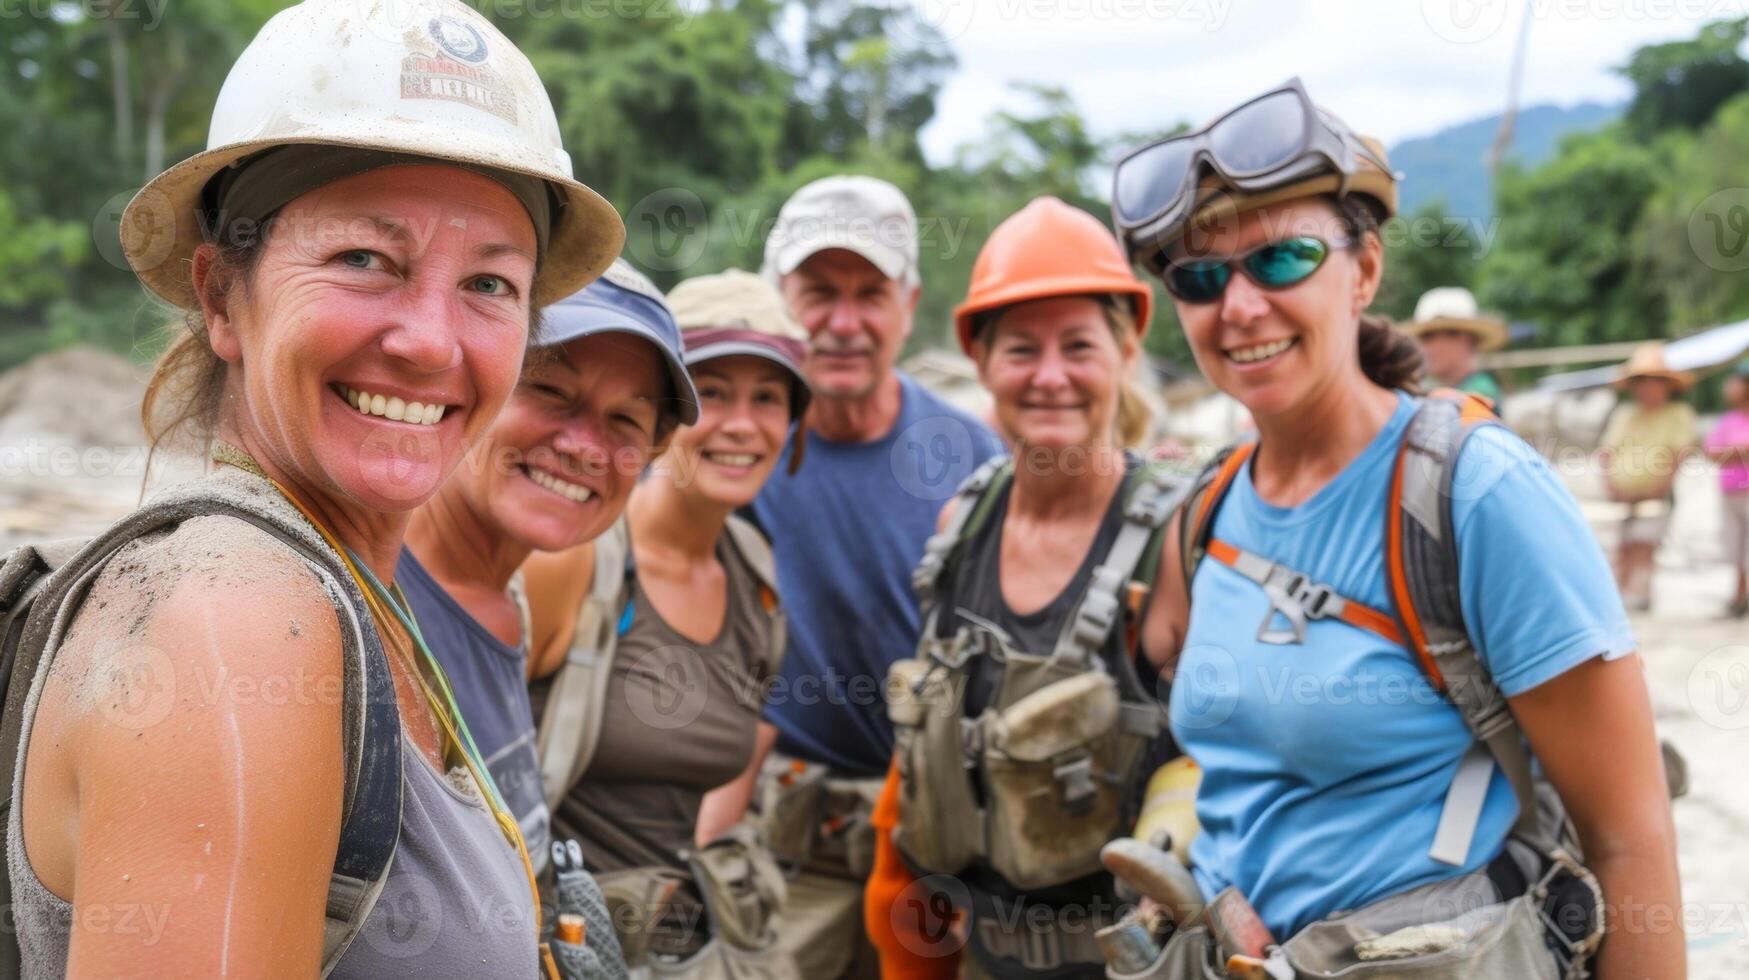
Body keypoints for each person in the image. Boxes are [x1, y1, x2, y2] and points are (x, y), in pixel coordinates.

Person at [0, 0, 626, 975]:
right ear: (220, 296)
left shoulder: (371, 595)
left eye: (492, 283)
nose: (430, 338)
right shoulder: (231, 622)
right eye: (364, 260)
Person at [1106, 77, 1682, 977]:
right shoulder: (1203, 513)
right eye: (1201, 277)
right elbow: (1216, 758)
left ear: (1363, 270)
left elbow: (1630, 841)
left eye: (1283, 260)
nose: (1241, 306)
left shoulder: (1473, 494)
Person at [865, 196, 1176, 980]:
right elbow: (914, 780)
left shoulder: (1174, 538)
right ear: (980, 361)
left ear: (1127, 348)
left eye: (1078, 345)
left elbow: (1236, 762)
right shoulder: (960, 526)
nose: (1049, 377)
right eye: (1020, 351)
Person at [519, 269, 811, 973]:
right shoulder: (576, 558)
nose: (742, 424)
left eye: (768, 397)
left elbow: (743, 741)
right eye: (712, 392)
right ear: (660, 415)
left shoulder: (755, 575)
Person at [749, 175, 1005, 978]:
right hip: (794, 841)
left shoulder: (970, 455)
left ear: (909, 302)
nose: (843, 323)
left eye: (871, 294)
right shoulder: (737, 448)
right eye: (817, 294)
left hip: (938, 841)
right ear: (777, 297)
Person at [400, 259, 697, 883]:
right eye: (551, 392)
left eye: (625, 421)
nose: (584, 446)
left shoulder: (516, 598)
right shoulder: (375, 602)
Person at [1598, 342, 1699, 612]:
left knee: (1644, 542)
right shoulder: (1624, 414)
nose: (1646, 387)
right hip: (1620, 494)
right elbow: (1606, 453)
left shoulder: (1678, 414)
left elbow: (1679, 454)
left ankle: (1639, 593)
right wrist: (1610, 485)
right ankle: (1618, 593)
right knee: (1622, 544)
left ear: (1665, 384)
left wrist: (1659, 486)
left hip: (1656, 493)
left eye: (1653, 380)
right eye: (1641, 380)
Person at [1402, 286, 1506, 401]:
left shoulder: (1478, 395)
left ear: (1464, 338)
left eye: (1428, 336)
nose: (1423, 347)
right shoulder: (1455, 391)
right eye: (1422, 338)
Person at [1704, 364, 1749, 617]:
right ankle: (1739, 595)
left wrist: (1731, 453)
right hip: (1732, 493)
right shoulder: (1728, 420)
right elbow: (1712, 453)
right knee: (1735, 546)